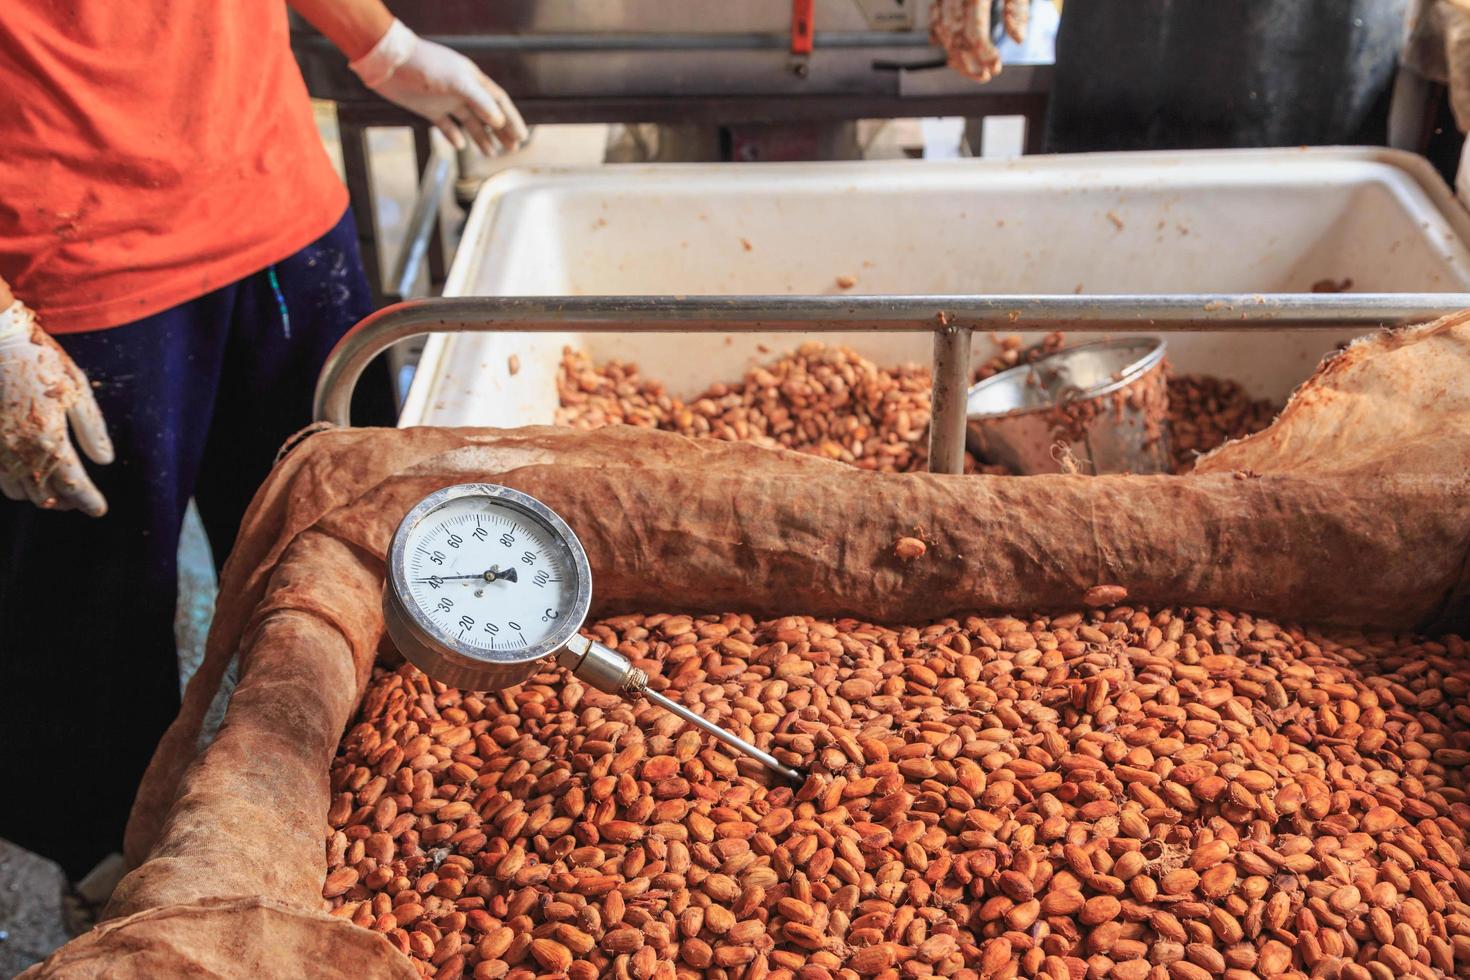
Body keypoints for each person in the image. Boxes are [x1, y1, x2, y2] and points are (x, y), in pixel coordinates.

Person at [0, 0, 526, 881]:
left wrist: (380, 40)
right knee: (93, 608)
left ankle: (362, 811)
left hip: (279, 198)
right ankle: (113, 864)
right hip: (71, 254)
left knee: (352, 546)